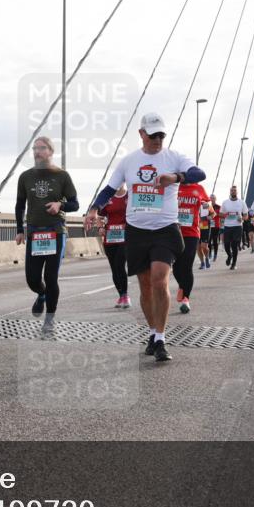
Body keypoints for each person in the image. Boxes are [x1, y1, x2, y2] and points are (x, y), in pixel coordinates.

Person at [86, 113, 206, 361]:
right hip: (137, 231)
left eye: (161, 135)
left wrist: (175, 177)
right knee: (145, 285)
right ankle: (152, 332)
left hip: (165, 229)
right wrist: (94, 209)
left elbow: (199, 173)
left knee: (160, 279)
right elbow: (110, 189)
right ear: (141, 134)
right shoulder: (129, 161)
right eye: (153, 135)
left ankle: (161, 339)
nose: (158, 140)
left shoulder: (175, 158)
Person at [15, 136, 78, 334]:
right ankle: (41, 294)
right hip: (34, 232)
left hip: (56, 232)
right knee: (32, 279)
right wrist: (19, 230)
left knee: (51, 277)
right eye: (34, 149)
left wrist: (61, 205)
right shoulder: (25, 176)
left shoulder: (62, 176)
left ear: (50, 151)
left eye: (41, 148)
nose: (37, 152)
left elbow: (75, 204)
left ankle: (49, 320)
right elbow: (19, 205)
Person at [173, 181, 209, 313]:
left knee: (187, 265)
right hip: (174, 232)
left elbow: (208, 204)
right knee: (176, 267)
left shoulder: (198, 188)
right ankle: (182, 287)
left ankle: (186, 299)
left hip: (192, 232)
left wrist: (206, 205)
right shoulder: (173, 186)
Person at [98, 184, 130, 308]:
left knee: (119, 264)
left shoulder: (130, 195)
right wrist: (100, 227)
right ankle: (121, 295)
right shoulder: (108, 198)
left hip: (125, 237)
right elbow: (100, 216)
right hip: (110, 237)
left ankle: (125, 295)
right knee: (114, 268)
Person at [219, 186, 248, 270]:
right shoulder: (225, 202)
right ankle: (229, 255)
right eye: (232, 190)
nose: (233, 192)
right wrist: (225, 215)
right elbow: (220, 214)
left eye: (234, 191)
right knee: (227, 245)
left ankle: (234, 263)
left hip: (238, 226)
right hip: (227, 226)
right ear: (230, 192)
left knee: (234, 245)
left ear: (237, 192)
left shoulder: (242, 202)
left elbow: (246, 216)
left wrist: (242, 218)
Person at [197, 201, 211, 269]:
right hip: (195, 228)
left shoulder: (206, 204)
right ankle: (202, 263)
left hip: (205, 227)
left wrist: (210, 217)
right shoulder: (191, 202)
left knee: (204, 247)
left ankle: (207, 258)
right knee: (198, 247)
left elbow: (213, 213)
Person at [208, 194, 222, 262]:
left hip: (216, 226)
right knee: (209, 240)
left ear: (215, 199)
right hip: (209, 225)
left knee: (215, 240)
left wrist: (215, 214)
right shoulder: (208, 206)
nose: (212, 199)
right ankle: (210, 253)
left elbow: (221, 215)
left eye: (213, 198)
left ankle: (215, 255)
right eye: (211, 198)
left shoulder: (218, 206)